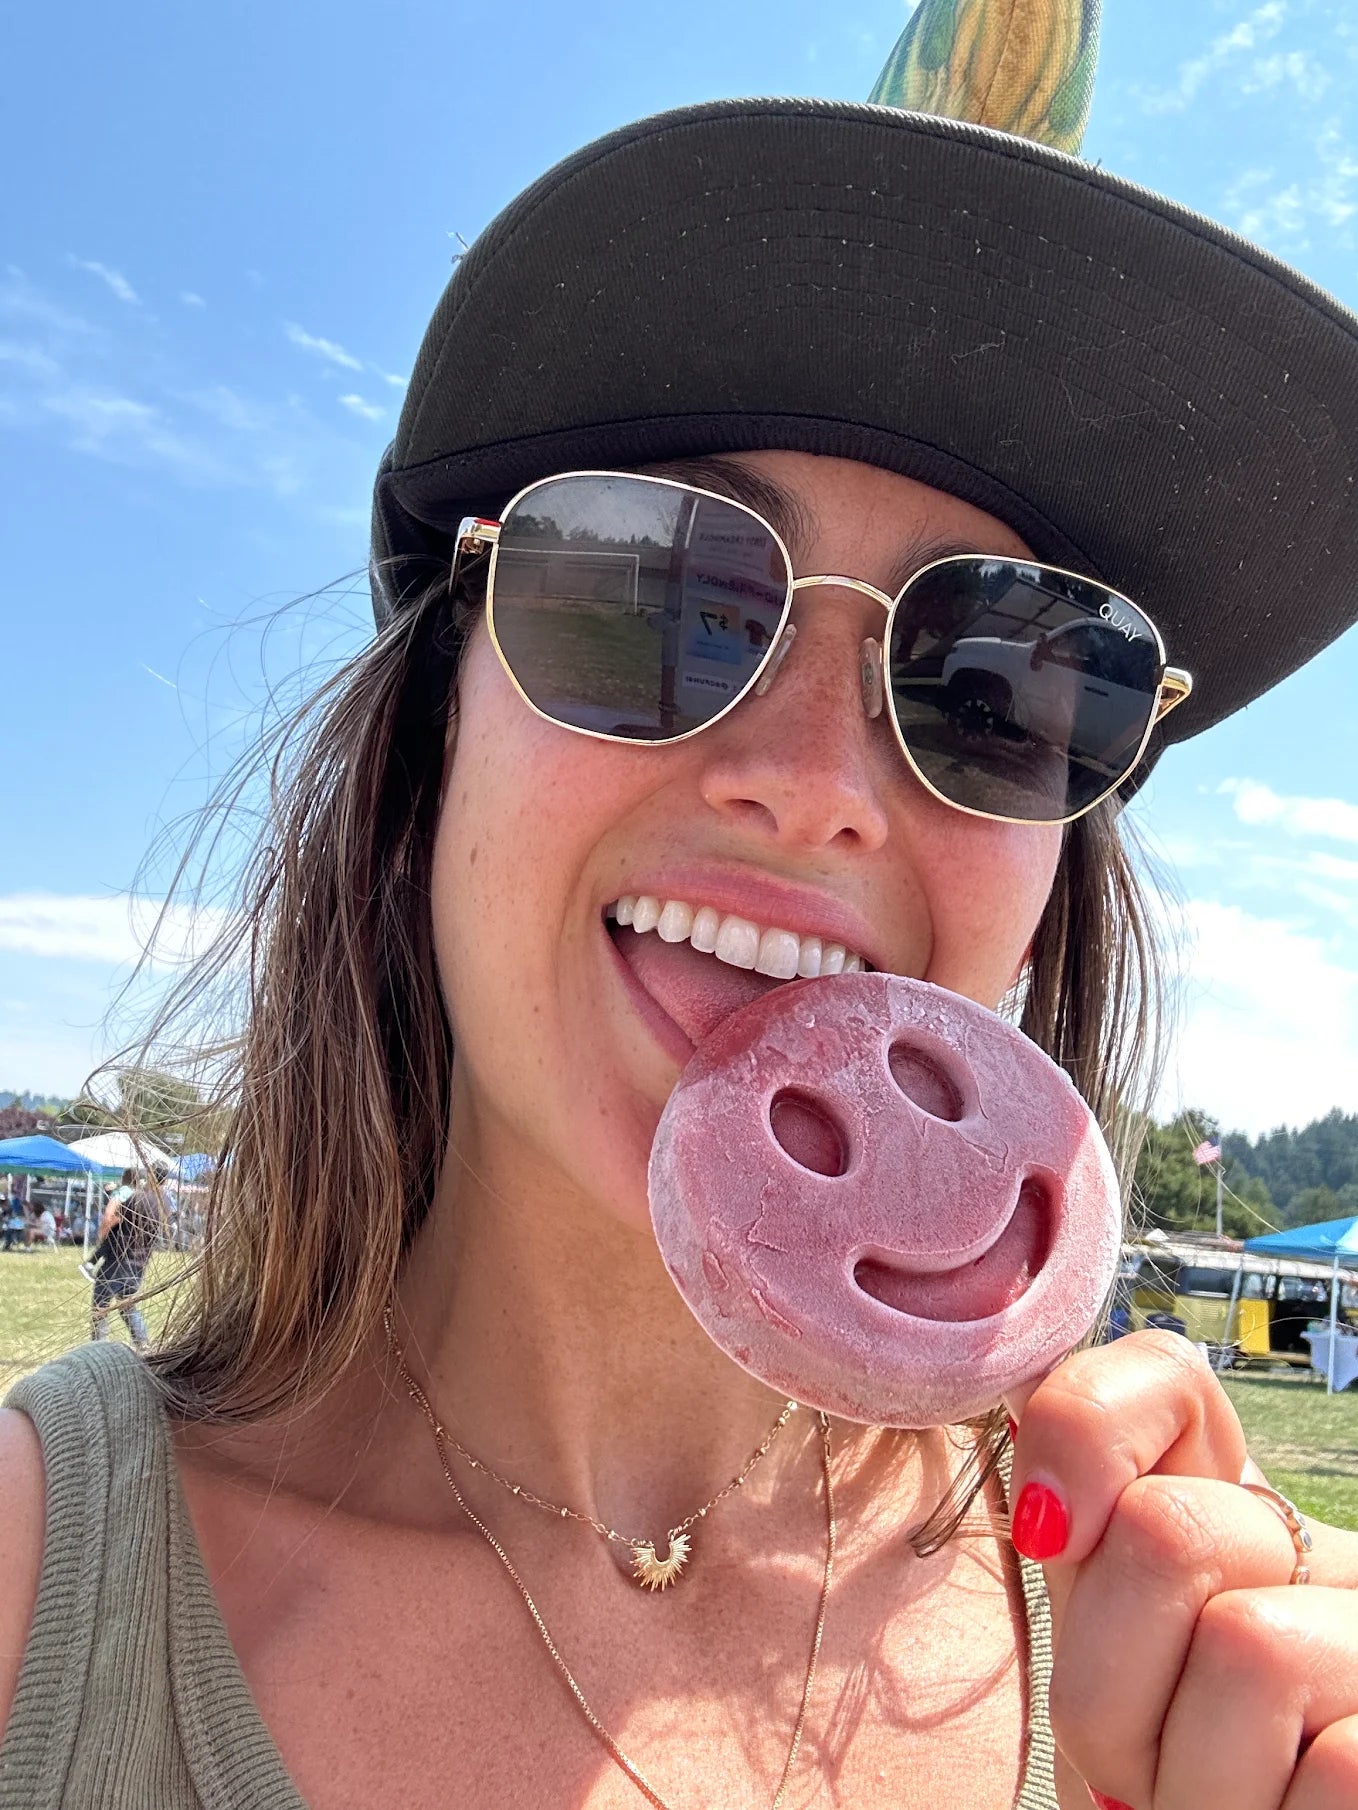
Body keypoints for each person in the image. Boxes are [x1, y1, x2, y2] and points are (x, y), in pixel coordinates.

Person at [3, 4, 1358, 1806]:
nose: (811, 780)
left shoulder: (1180, 1667)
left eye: (1005, 680)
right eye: (657, 591)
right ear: (426, 740)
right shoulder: (37, 1594)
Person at [85, 1177, 161, 1351]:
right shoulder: (156, 1205)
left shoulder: (134, 1200)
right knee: (127, 1305)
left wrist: (102, 1239)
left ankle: (96, 1348)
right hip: (139, 1262)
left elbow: (112, 1218)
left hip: (118, 1261)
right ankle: (143, 1343)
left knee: (100, 1306)